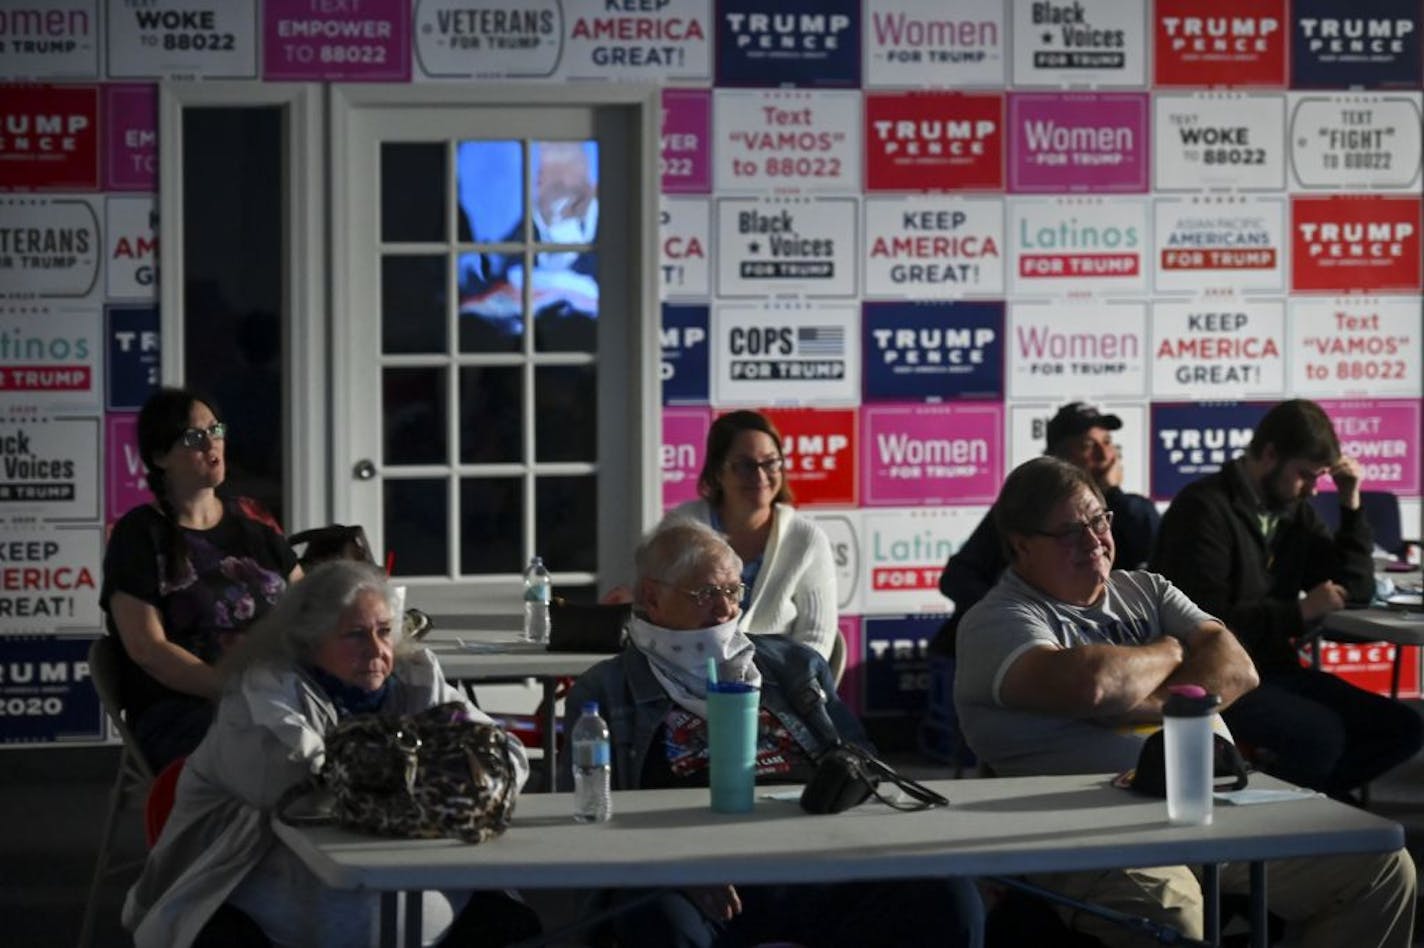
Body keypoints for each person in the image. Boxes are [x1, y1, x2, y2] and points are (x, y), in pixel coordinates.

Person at [954, 456, 1415, 947]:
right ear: (1022, 545)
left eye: (1097, 520)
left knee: (1381, 869)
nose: (1093, 541)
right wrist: (1172, 650)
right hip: (1093, 832)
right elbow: (1094, 685)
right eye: (1070, 532)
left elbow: (1238, 666)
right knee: (1173, 923)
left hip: (1216, 806)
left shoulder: (1146, 589)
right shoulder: (997, 620)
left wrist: (1141, 698)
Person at [567, 520, 984, 948]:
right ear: (652, 598)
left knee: (948, 896)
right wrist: (666, 866)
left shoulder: (793, 664)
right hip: (698, 871)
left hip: (819, 856)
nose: (726, 611)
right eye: (706, 594)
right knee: (657, 916)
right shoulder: (605, 689)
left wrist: (850, 781)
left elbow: (865, 762)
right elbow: (587, 815)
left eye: (733, 592)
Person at [123, 560, 539, 948]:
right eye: (356, 634)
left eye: (384, 631)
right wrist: (435, 778)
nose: (376, 649)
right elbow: (302, 787)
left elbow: (503, 758)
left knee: (512, 925)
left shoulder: (415, 680)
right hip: (261, 897)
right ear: (310, 642)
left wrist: (432, 776)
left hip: (410, 897)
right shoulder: (259, 696)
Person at [1151, 399, 1423, 799]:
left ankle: (1312, 805)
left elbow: (1356, 587)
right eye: (1304, 475)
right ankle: (1301, 819)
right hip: (1215, 677)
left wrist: (1350, 505)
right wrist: (1297, 613)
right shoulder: (1203, 509)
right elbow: (1202, 627)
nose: (1313, 488)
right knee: (1321, 736)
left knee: (1403, 728)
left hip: (1275, 669)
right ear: (1269, 455)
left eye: (1319, 478)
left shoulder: (1293, 511)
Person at [100, 387, 303, 771]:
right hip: (186, 709)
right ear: (161, 457)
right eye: (195, 437)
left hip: (278, 695)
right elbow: (148, 649)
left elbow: (309, 607)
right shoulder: (140, 534)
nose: (213, 443)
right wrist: (235, 692)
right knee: (281, 747)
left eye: (217, 429)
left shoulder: (253, 523)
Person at [932, 401, 1159, 656]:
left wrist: (1112, 493)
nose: (1105, 455)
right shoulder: (1025, 508)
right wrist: (1016, 618)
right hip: (1016, 652)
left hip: (1101, 652)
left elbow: (1156, 578)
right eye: (1087, 446)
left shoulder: (1132, 511)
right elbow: (958, 576)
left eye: (1107, 442)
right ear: (1058, 460)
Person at [663, 410, 839, 660]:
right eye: (745, 466)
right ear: (717, 472)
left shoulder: (806, 540)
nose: (759, 476)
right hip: (688, 678)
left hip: (778, 686)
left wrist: (781, 691)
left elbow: (816, 637)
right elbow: (657, 614)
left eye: (770, 463)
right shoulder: (680, 528)